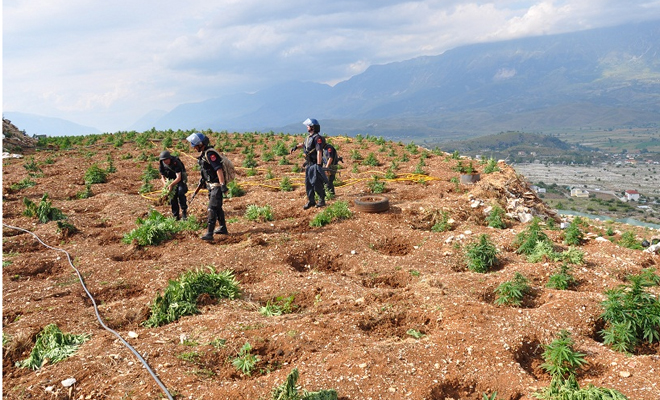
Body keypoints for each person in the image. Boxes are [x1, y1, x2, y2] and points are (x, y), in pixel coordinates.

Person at [187, 132, 228, 241]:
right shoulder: (204, 154)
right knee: (217, 207)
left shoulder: (210, 154)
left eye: (195, 145)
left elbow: (218, 169)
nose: (194, 148)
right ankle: (223, 228)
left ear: (201, 144)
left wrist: (222, 184)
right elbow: (207, 171)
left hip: (216, 185)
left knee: (212, 208)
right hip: (210, 185)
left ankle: (209, 233)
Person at [290, 118, 328, 209]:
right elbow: (304, 144)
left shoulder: (317, 138)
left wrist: (318, 165)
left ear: (312, 127)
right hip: (309, 164)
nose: (307, 127)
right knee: (308, 184)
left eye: (308, 125)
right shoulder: (308, 137)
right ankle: (311, 201)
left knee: (316, 182)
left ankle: (321, 200)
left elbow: (319, 151)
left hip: (315, 164)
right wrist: (296, 147)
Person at [158, 150, 188, 220]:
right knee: (172, 197)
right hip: (170, 180)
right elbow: (162, 177)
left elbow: (179, 177)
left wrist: (171, 185)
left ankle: (184, 212)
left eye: (166, 160)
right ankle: (175, 215)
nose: (165, 161)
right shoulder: (162, 164)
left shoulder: (175, 162)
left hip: (179, 180)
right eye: (163, 160)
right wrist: (165, 184)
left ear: (169, 158)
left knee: (180, 192)